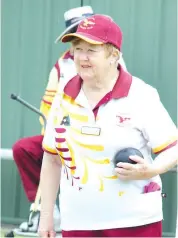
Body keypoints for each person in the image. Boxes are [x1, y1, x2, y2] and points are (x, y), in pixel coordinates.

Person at [39, 14, 178, 237]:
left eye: (91, 50)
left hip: (135, 223)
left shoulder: (141, 95)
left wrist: (151, 170)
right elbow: (52, 158)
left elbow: (173, 148)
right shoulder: (63, 96)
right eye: (77, 48)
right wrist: (46, 216)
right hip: (78, 222)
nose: (81, 57)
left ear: (114, 54)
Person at [11, 6, 95, 236]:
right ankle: (47, 212)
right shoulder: (61, 65)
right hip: (63, 134)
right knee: (24, 148)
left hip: (94, 137)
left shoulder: (109, 58)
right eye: (76, 31)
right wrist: (52, 132)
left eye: (86, 29)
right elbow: (48, 105)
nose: (82, 36)